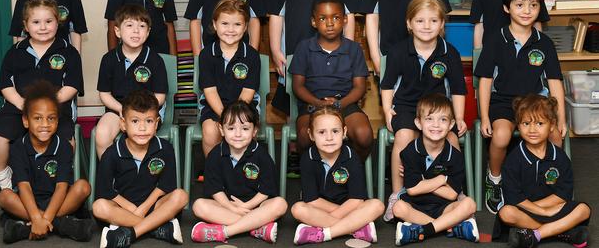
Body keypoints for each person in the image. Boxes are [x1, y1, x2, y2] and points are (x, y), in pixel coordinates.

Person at [475, 0, 567, 214]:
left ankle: (549, 182)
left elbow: (555, 82)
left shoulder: (544, 43)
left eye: (533, 5)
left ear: (539, 8)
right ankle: (494, 179)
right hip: (503, 101)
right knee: (502, 136)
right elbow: (484, 81)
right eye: (519, 5)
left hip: (535, 103)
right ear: (507, 8)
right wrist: (484, 117)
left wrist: (561, 119)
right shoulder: (496, 39)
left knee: (555, 136)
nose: (527, 11)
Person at [380, 0, 467, 221]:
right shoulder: (399, 51)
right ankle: (397, 195)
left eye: (433, 21)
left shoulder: (450, 53)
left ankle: (453, 191)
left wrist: (458, 117)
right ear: (409, 24)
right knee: (404, 136)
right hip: (407, 107)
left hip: (438, 109)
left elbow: (458, 89)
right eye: (420, 21)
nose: (426, 26)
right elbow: (387, 85)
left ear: (442, 24)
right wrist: (388, 110)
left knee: (452, 140)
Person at [0, 0, 83, 192]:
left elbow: (71, 87)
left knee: (66, 142)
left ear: (58, 22)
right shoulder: (15, 53)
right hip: (19, 107)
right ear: (26, 26)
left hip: (57, 109)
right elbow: (6, 86)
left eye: (49, 21)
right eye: (36, 22)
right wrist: (23, 105)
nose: (43, 27)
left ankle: (56, 181)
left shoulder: (69, 53)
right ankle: (6, 181)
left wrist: (47, 105)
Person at [0, 80, 93, 244]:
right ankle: (60, 224)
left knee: (83, 187)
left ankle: (30, 227)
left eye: (51, 118)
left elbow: (61, 187)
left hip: (59, 200)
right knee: (4, 196)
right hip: (28, 203)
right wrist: (36, 216)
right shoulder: (18, 147)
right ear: (26, 121)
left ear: (57, 121)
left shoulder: (63, 146)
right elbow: (24, 186)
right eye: (38, 118)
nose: (44, 124)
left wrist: (45, 218)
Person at [93, 89, 188, 248]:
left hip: (154, 206)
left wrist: (143, 209)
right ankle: (157, 229)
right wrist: (131, 208)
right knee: (99, 207)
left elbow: (166, 186)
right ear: (123, 124)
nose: (142, 128)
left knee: (181, 196)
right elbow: (105, 191)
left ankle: (130, 233)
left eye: (149, 121)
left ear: (157, 123)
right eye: (135, 121)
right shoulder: (112, 153)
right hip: (123, 208)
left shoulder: (165, 149)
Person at [495, 94, 590, 248]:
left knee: (584, 209)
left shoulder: (560, 157)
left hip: (552, 209)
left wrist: (546, 210)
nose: (532, 129)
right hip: (525, 209)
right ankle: (561, 230)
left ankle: (535, 235)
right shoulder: (513, 160)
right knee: (506, 213)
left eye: (539, 123)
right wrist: (542, 212)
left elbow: (563, 193)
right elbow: (514, 197)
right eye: (526, 123)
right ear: (518, 125)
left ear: (551, 125)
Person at [289, 0, 372, 161]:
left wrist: (339, 104)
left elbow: (359, 87)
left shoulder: (354, 49)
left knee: (364, 135)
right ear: (313, 22)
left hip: (345, 103)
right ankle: (314, 173)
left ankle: (350, 168)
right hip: (313, 104)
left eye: (335, 18)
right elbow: (297, 86)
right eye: (322, 19)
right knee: (305, 137)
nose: (329, 23)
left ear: (345, 20)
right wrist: (318, 103)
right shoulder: (304, 47)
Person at [190, 101, 288, 243]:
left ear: (254, 131)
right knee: (199, 206)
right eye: (231, 128)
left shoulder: (262, 155)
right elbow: (215, 189)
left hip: (256, 207)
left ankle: (225, 232)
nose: (237, 134)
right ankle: (257, 227)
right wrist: (232, 207)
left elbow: (266, 190)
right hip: (227, 206)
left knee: (280, 204)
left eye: (245, 129)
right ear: (221, 129)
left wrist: (245, 206)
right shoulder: (215, 155)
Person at [393, 93, 478, 246]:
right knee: (398, 208)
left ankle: (423, 230)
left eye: (443, 119)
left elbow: (452, 194)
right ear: (418, 123)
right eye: (429, 119)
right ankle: (450, 228)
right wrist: (442, 179)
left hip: (444, 206)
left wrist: (423, 181)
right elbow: (412, 190)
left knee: (470, 204)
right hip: (416, 206)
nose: (436, 125)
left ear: (451, 124)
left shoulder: (455, 156)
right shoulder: (409, 152)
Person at [291, 106, 384, 245]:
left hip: (350, 207)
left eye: (335, 131)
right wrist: (347, 219)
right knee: (297, 209)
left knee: (377, 205)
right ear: (311, 135)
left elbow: (356, 200)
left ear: (344, 132)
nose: (329, 138)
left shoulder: (351, 156)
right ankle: (356, 229)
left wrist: (329, 217)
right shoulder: (307, 158)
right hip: (320, 209)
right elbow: (312, 200)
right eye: (322, 132)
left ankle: (324, 233)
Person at [95, 4, 168, 158]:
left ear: (148, 32)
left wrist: (140, 113)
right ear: (117, 31)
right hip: (118, 110)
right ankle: (111, 177)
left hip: (146, 112)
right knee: (102, 133)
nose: (136, 31)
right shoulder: (108, 59)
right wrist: (122, 109)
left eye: (142, 26)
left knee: (139, 132)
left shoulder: (155, 60)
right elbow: (104, 94)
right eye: (129, 25)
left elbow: (160, 97)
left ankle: (140, 174)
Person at [198, 0, 261, 157]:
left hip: (244, 107)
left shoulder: (252, 55)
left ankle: (241, 172)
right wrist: (225, 117)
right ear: (214, 24)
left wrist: (234, 119)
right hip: (214, 106)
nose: (230, 30)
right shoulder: (206, 54)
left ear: (245, 27)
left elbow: (248, 92)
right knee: (210, 131)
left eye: (237, 24)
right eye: (225, 23)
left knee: (241, 131)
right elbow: (210, 91)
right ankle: (215, 173)